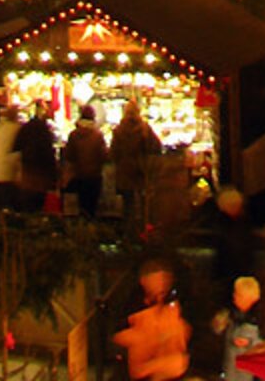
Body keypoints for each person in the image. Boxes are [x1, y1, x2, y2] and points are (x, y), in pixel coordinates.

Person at [113, 254, 191, 381]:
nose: (162, 285)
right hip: (139, 368)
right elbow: (120, 336)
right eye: (157, 280)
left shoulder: (171, 302)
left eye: (164, 280)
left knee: (178, 362)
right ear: (144, 281)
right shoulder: (133, 305)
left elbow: (183, 332)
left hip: (165, 367)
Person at [111, 96, 163, 227]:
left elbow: (113, 153)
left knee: (128, 203)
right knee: (143, 201)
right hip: (140, 170)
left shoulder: (118, 130)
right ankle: (142, 228)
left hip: (124, 171)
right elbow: (157, 147)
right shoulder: (144, 129)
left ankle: (128, 229)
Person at [11, 100, 60, 211]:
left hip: (27, 176)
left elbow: (16, 148)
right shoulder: (45, 131)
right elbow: (49, 155)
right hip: (41, 178)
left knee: (27, 206)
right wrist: (54, 178)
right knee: (38, 205)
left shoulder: (25, 128)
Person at [62, 102, 108, 218]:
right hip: (94, 176)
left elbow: (69, 156)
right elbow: (104, 156)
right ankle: (90, 229)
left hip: (79, 176)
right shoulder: (98, 135)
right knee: (91, 208)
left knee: (81, 207)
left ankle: (80, 230)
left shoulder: (73, 135)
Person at [215, 274, 263, 381]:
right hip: (230, 371)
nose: (234, 297)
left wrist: (250, 342)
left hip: (247, 375)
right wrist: (219, 324)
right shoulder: (231, 315)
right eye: (234, 293)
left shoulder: (260, 319)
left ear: (251, 299)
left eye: (239, 295)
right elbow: (218, 331)